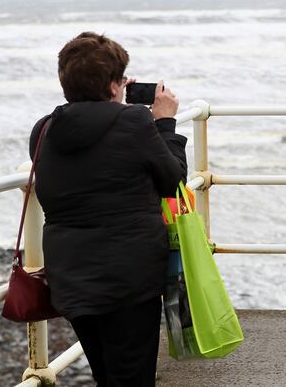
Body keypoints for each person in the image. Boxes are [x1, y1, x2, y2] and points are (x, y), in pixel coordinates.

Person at [30, 32, 188, 385]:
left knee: (106, 373)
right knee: (132, 375)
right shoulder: (134, 122)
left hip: (70, 278)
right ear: (117, 83)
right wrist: (164, 124)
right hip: (128, 281)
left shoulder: (44, 129)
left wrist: (112, 101)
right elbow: (172, 179)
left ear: (63, 79)